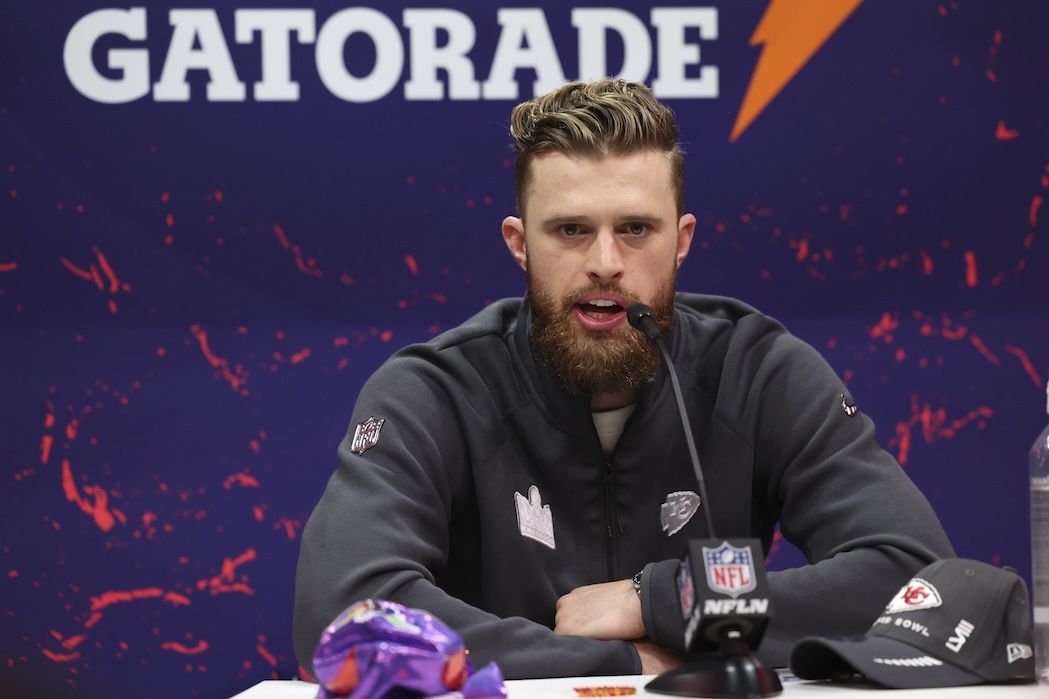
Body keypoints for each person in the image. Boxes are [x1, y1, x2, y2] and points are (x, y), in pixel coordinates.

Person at [293, 79, 954, 678]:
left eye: (635, 228)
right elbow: (344, 614)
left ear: (682, 238)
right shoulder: (436, 391)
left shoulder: (755, 371)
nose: (605, 262)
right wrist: (619, 660)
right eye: (571, 230)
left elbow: (919, 578)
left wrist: (659, 598)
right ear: (519, 243)